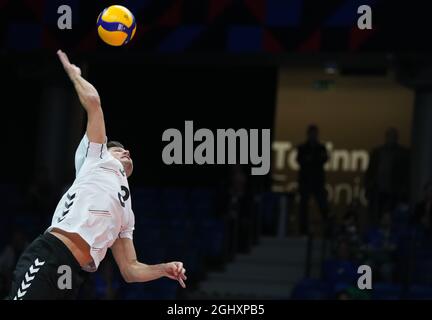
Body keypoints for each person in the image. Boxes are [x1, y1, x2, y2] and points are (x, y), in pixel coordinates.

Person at [7, 50, 186, 300]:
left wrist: (162, 269)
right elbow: (93, 102)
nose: (125, 151)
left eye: (126, 150)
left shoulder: (126, 211)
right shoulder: (96, 158)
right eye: (117, 149)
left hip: (74, 274)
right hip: (50, 254)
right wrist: (75, 75)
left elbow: (130, 269)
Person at [365, 127, 410, 224]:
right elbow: (370, 171)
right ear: (385, 137)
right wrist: (368, 187)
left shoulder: (403, 153)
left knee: (393, 217)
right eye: (389, 136)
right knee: (375, 216)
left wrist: (403, 191)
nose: (391, 138)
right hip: (377, 191)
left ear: (397, 138)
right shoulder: (377, 152)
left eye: (393, 136)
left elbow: (406, 175)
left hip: (394, 192)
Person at [296, 125, 329, 236]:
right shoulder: (302, 148)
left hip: (318, 182)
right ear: (308, 134)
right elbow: (300, 160)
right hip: (305, 181)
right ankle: (303, 230)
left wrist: (311, 159)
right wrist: (312, 159)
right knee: (303, 207)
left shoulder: (321, 148)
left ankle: (328, 230)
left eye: (315, 133)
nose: (313, 135)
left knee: (323, 206)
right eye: (311, 133)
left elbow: (324, 159)